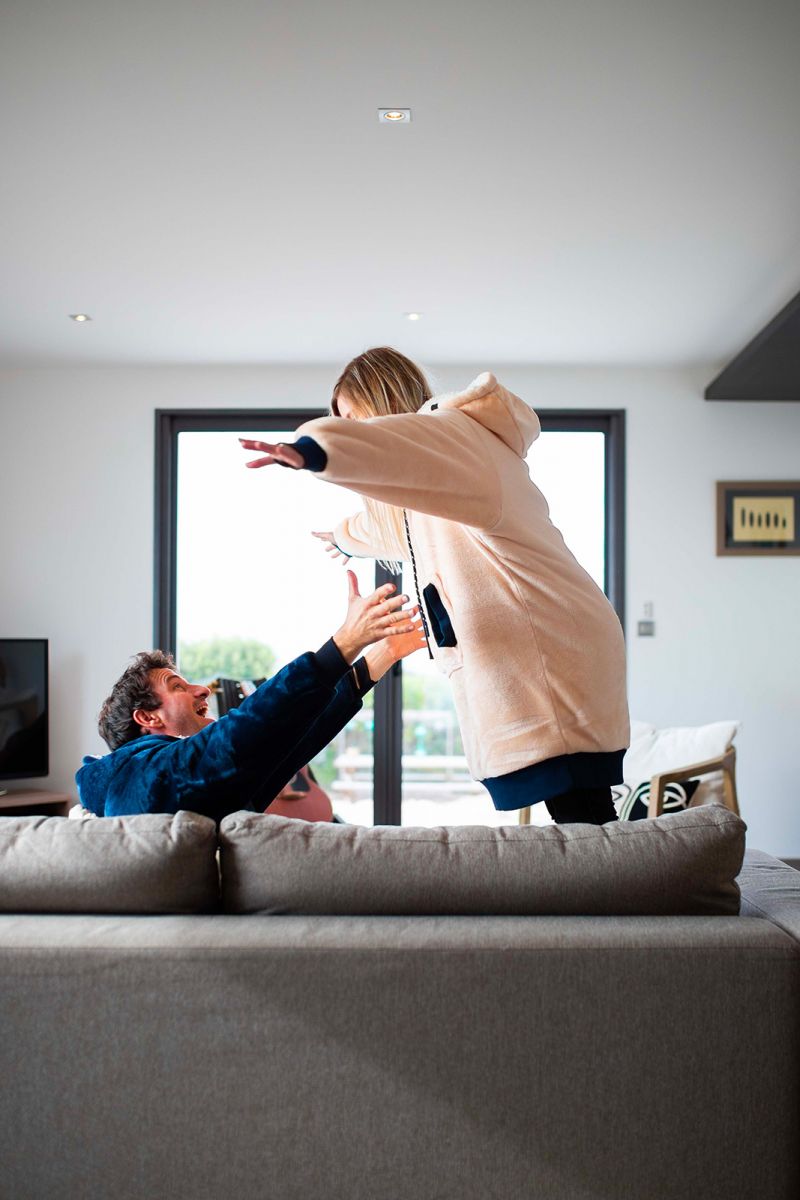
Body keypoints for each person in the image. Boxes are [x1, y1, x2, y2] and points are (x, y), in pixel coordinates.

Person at [240, 347, 630, 825]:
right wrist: (342, 537)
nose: (348, 426)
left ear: (382, 402)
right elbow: (389, 527)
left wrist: (316, 450)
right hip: (540, 646)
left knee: (585, 819)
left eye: (352, 417)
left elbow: (382, 448)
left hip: (548, 646)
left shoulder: (455, 436)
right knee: (582, 815)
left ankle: (638, 875)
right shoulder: (433, 485)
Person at [77, 571, 425, 821]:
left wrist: (384, 653)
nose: (202, 689)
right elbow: (235, 738)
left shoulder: (196, 782)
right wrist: (345, 642)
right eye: (177, 686)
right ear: (147, 717)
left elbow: (291, 741)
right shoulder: (135, 776)